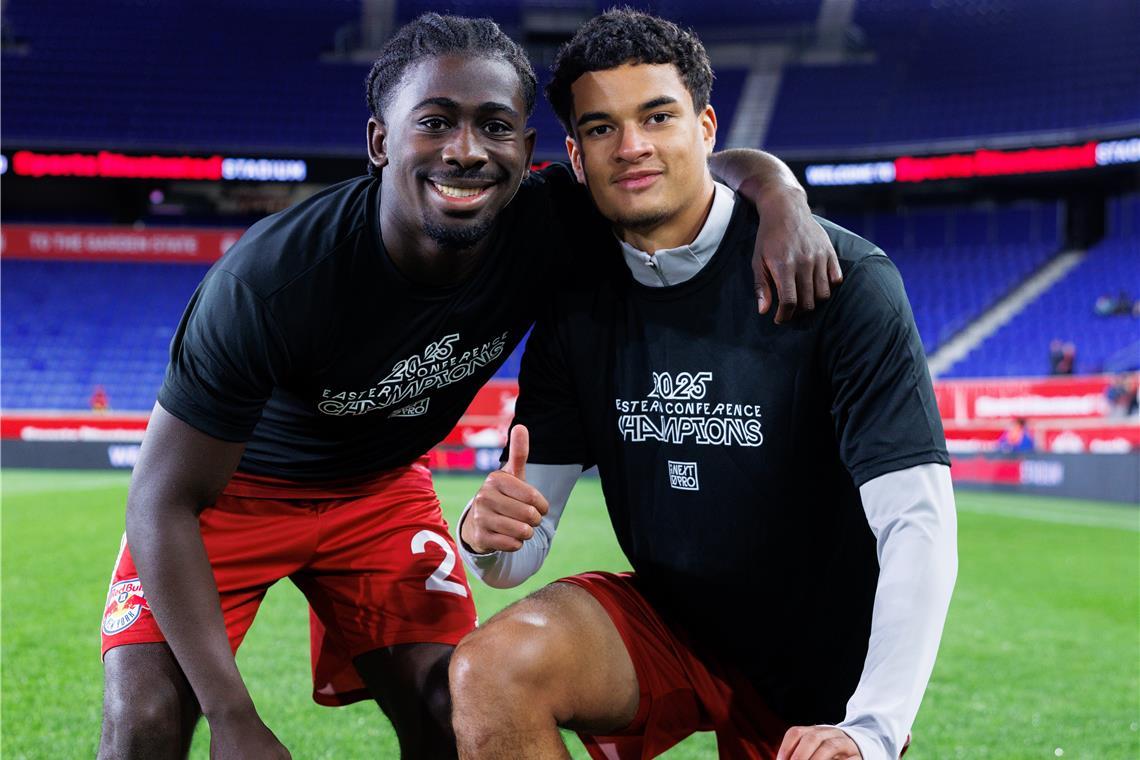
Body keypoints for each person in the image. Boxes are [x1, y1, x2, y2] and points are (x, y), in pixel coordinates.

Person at [96, 13, 839, 760]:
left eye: (493, 126)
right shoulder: (272, 283)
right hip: (234, 496)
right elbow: (161, 497)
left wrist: (780, 197)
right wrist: (232, 715)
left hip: (380, 491)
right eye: (435, 122)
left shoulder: (549, 221)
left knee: (454, 705)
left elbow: (697, 166)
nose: (466, 150)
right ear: (380, 142)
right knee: (148, 718)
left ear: (528, 149)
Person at [450, 10, 957, 760]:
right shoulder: (576, 295)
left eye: (658, 115)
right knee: (491, 670)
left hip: (820, 665)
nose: (633, 147)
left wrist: (871, 726)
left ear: (707, 125)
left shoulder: (840, 281)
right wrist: (487, 539)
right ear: (575, 154)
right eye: (601, 128)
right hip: (671, 627)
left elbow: (918, 524)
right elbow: (519, 555)